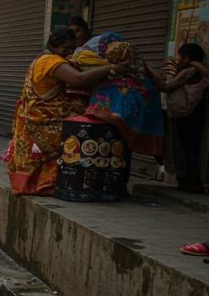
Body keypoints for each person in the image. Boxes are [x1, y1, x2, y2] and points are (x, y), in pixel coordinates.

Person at [6, 28, 125, 196]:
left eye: (72, 48)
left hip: (34, 117)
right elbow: (79, 79)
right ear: (55, 45)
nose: (70, 52)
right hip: (44, 120)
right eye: (66, 48)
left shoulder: (42, 60)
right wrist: (111, 68)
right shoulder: (51, 62)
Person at [76, 31, 164, 157]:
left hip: (105, 126)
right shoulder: (135, 64)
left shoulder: (98, 65)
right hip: (122, 127)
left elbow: (80, 78)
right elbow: (162, 85)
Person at [148, 43, 209, 193]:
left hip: (187, 115)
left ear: (187, 58)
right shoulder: (194, 72)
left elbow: (166, 87)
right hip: (193, 113)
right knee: (189, 147)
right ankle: (190, 180)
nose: (177, 60)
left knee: (184, 147)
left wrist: (148, 70)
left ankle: (188, 180)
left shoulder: (190, 71)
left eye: (179, 57)